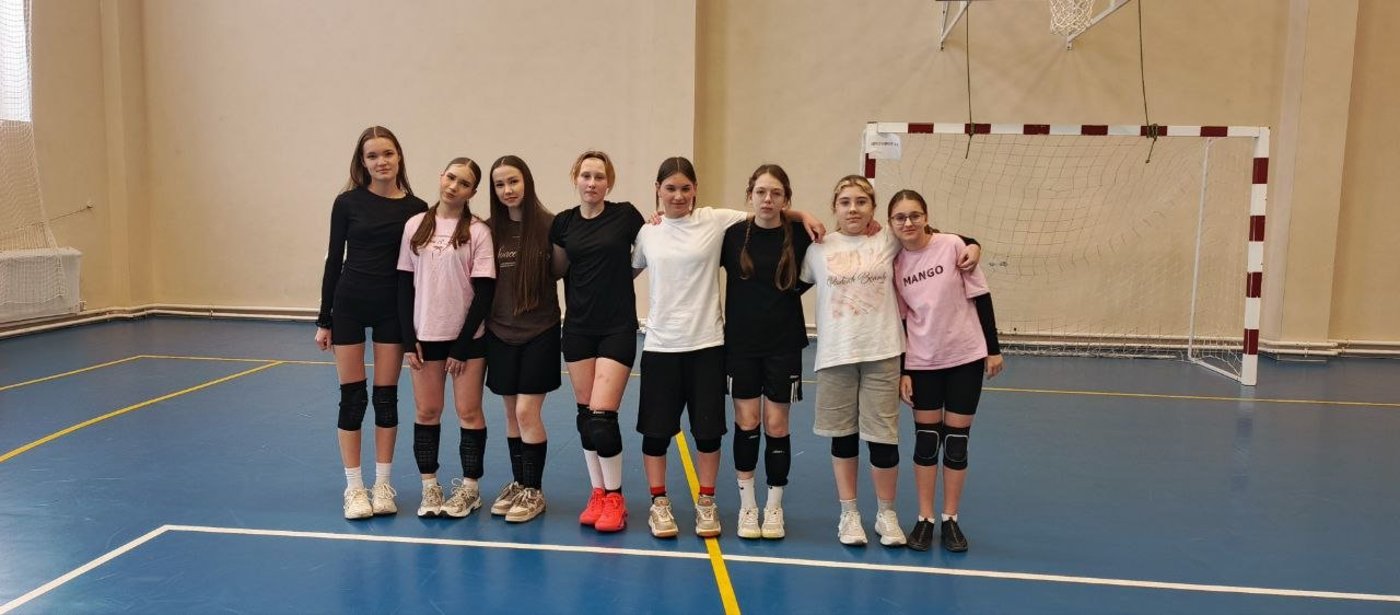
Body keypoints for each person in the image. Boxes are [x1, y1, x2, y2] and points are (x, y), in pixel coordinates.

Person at [800, 175, 980, 547]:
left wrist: (973, 244)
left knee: (883, 439)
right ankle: (849, 514)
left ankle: (886, 513)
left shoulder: (888, 239)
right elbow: (790, 285)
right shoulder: (817, 248)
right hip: (836, 355)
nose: (853, 209)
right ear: (834, 208)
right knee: (844, 438)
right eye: (845, 202)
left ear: (873, 208)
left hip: (883, 354)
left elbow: (934, 237)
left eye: (861, 202)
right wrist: (799, 214)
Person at [316, 126, 427, 519]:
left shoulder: (416, 208)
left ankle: (382, 484)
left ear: (399, 157)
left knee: (385, 398)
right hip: (349, 304)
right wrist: (324, 319)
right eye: (373, 156)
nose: (382, 161)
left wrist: (413, 330)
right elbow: (334, 259)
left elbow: (417, 271)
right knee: (352, 398)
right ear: (362, 163)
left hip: (391, 310)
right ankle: (354, 487)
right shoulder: (347, 203)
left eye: (388, 153)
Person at [889, 189, 1004, 553]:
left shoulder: (954, 245)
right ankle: (925, 518)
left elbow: (981, 297)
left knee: (956, 443)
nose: (908, 222)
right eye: (900, 217)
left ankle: (950, 518)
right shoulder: (895, 264)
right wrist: (904, 370)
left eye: (915, 215)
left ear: (926, 217)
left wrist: (993, 349)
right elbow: (902, 322)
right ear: (891, 223)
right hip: (922, 363)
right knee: (926, 442)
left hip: (965, 358)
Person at [550, 150, 645, 533]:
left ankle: (616, 497)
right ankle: (598, 492)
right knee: (586, 417)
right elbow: (557, 269)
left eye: (599, 177)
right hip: (577, 328)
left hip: (616, 328)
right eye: (586, 175)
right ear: (575, 177)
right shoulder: (563, 223)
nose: (592, 183)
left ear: (609, 182)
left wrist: (619, 278)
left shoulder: (626, 216)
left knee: (603, 417)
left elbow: (651, 250)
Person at [396, 157, 495, 520]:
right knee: (427, 411)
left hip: (467, 341)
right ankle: (430, 486)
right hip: (425, 338)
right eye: (451, 177)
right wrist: (408, 339)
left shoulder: (479, 231)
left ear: (472, 192)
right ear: (441, 177)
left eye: (464, 183)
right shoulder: (414, 225)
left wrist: (462, 345)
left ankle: (470, 488)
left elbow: (484, 293)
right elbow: (403, 284)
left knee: (468, 412)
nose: (454, 186)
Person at [718, 164, 813, 540]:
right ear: (750, 195)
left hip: (783, 345)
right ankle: (748, 506)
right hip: (741, 345)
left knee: (776, 425)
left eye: (776, 193)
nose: (768, 199)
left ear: (786, 198)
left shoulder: (800, 236)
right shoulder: (731, 236)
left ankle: (774, 506)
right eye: (760, 192)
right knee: (747, 423)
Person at [481, 155, 561, 523]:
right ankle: (519, 482)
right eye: (499, 184)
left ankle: (534, 490)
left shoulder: (550, 226)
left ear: (526, 181)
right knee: (511, 415)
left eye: (513, 181)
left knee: (528, 412)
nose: (507, 190)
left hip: (540, 331)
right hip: (500, 332)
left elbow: (565, 270)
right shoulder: (487, 230)